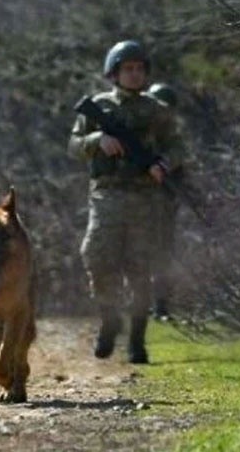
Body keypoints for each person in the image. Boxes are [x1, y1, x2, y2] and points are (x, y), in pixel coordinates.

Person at [67, 40, 184, 364]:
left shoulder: (157, 110)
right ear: (114, 73)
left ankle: (137, 339)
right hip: (107, 194)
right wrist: (97, 140)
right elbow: (73, 145)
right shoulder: (99, 106)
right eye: (127, 69)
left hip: (145, 198)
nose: (134, 75)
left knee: (139, 268)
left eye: (139, 69)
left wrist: (164, 165)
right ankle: (109, 318)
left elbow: (177, 146)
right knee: (96, 256)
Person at [144, 82, 181, 321]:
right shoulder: (142, 135)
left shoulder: (171, 140)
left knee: (162, 255)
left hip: (163, 204)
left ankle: (160, 305)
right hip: (137, 203)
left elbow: (179, 165)